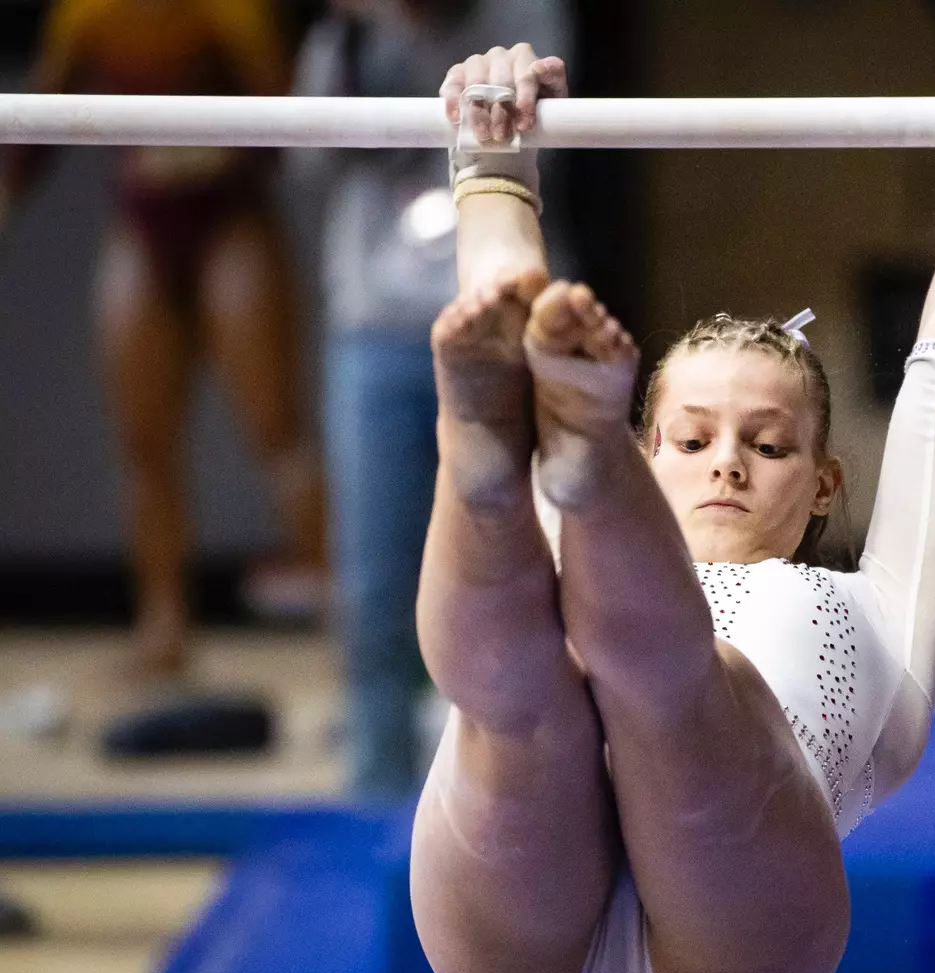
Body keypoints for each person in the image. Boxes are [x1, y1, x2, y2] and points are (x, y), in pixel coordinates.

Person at [408, 44, 935, 973]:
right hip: (510, 908)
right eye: (691, 437)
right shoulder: (589, 553)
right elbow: (505, 300)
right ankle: (488, 453)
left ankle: (523, 446)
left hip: (736, 943)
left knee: (676, 681)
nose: (729, 466)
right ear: (643, 449)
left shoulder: (884, 599)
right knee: (518, 693)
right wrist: (492, 153)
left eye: (768, 444)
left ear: (825, 482)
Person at [291, 0, 571, 800]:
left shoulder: (527, 18)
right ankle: (377, 798)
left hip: (502, 310)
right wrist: (355, 54)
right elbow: (305, 162)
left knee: (524, 573)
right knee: (375, 586)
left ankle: (515, 796)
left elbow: (564, 141)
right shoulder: (343, 38)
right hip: (375, 330)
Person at [0, 0, 325, 678]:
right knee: (144, 443)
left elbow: (291, 124)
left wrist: (214, 150)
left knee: (277, 432)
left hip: (231, 222)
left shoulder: (233, 11)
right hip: (143, 231)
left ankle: (348, 622)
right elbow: (38, 123)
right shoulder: (86, 14)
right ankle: (163, 622)